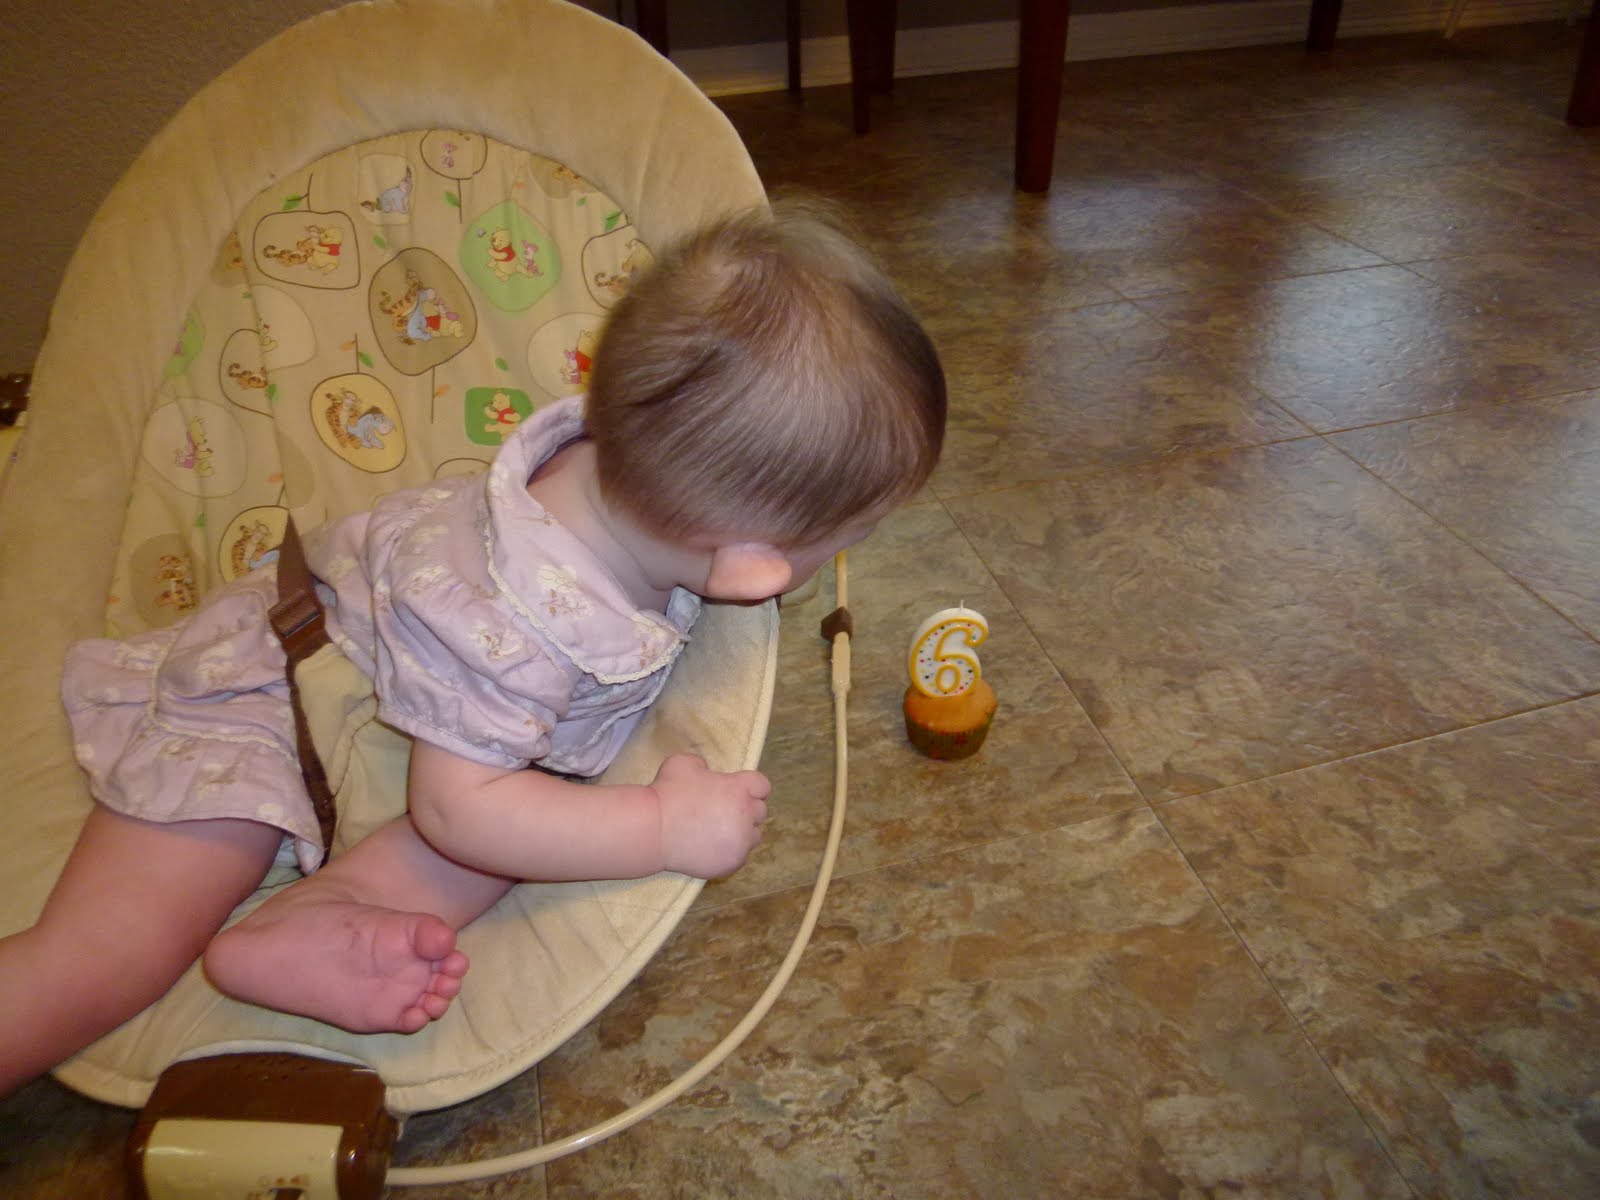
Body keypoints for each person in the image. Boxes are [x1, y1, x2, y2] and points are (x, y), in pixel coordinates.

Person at [0, 199, 946, 1096]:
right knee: (104, 960)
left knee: (530, 818)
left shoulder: (603, 467)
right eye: (841, 540)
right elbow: (457, 814)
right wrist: (660, 825)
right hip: (260, 703)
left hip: (399, 737)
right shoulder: (520, 625)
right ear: (748, 567)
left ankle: (317, 917)